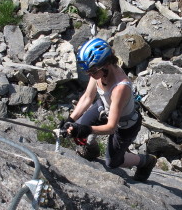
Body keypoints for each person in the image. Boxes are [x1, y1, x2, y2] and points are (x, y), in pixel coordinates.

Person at [60, 37, 157, 182]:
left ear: (105, 64)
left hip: (125, 124)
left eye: (92, 71)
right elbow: (87, 97)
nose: (89, 75)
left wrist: (87, 129)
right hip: (104, 108)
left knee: (113, 163)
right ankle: (92, 150)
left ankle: (145, 161)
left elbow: (112, 127)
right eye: (88, 71)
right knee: (77, 131)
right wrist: (70, 120)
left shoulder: (120, 87)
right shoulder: (98, 70)